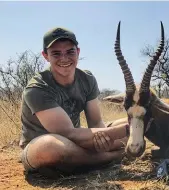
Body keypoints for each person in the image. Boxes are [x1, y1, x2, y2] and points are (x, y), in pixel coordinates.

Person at [19, 26, 130, 178]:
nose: (64, 58)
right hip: (43, 144)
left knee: (136, 121)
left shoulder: (87, 79)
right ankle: (110, 157)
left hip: (78, 141)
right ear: (45, 56)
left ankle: (84, 160)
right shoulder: (37, 88)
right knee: (51, 147)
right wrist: (119, 133)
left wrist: (103, 139)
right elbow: (67, 133)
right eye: (56, 53)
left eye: (70, 51)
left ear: (78, 52)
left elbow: (96, 122)